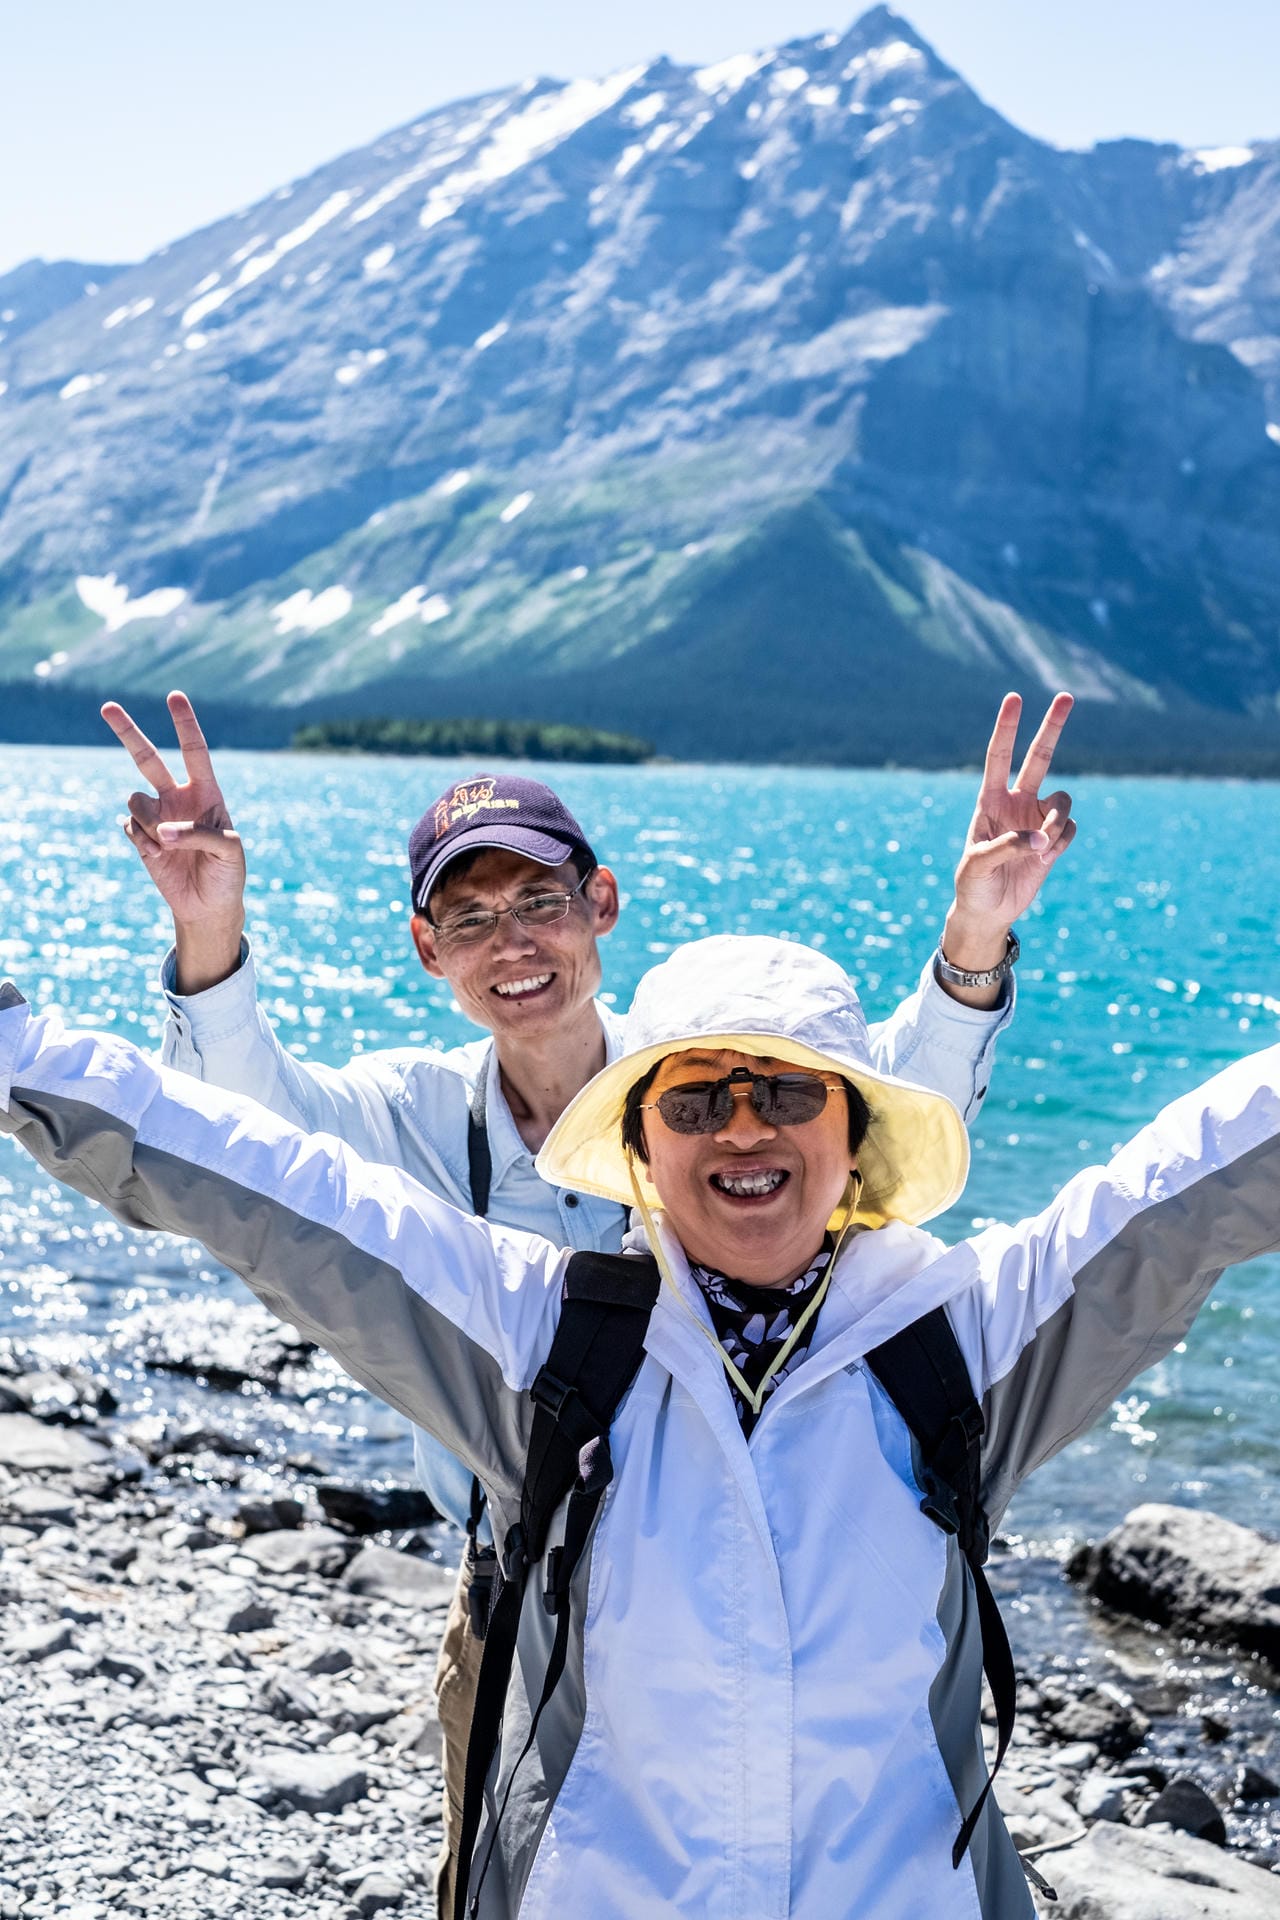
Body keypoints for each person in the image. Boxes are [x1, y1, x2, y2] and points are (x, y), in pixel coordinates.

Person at [1, 930, 1276, 1920]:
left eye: (785, 1091)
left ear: (851, 1139)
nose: (740, 1128)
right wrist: (20, 1055)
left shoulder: (960, 1342)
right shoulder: (551, 1339)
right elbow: (272, 1193)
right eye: (693, 1100)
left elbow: (1180, 1187)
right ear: (639, 1145)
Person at [100, 686, 1075, 1910]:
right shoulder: (406, 1117)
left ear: (598, 905)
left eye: (539, 904)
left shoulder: (699, 1070)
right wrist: (208, 929)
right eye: (467, 917)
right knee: (503, 1863)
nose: (511, 945)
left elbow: (887, 1104)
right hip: (513, 1591)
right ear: (426, 951)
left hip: (737, 1566)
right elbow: (247, 1146)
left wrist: (976, 930)